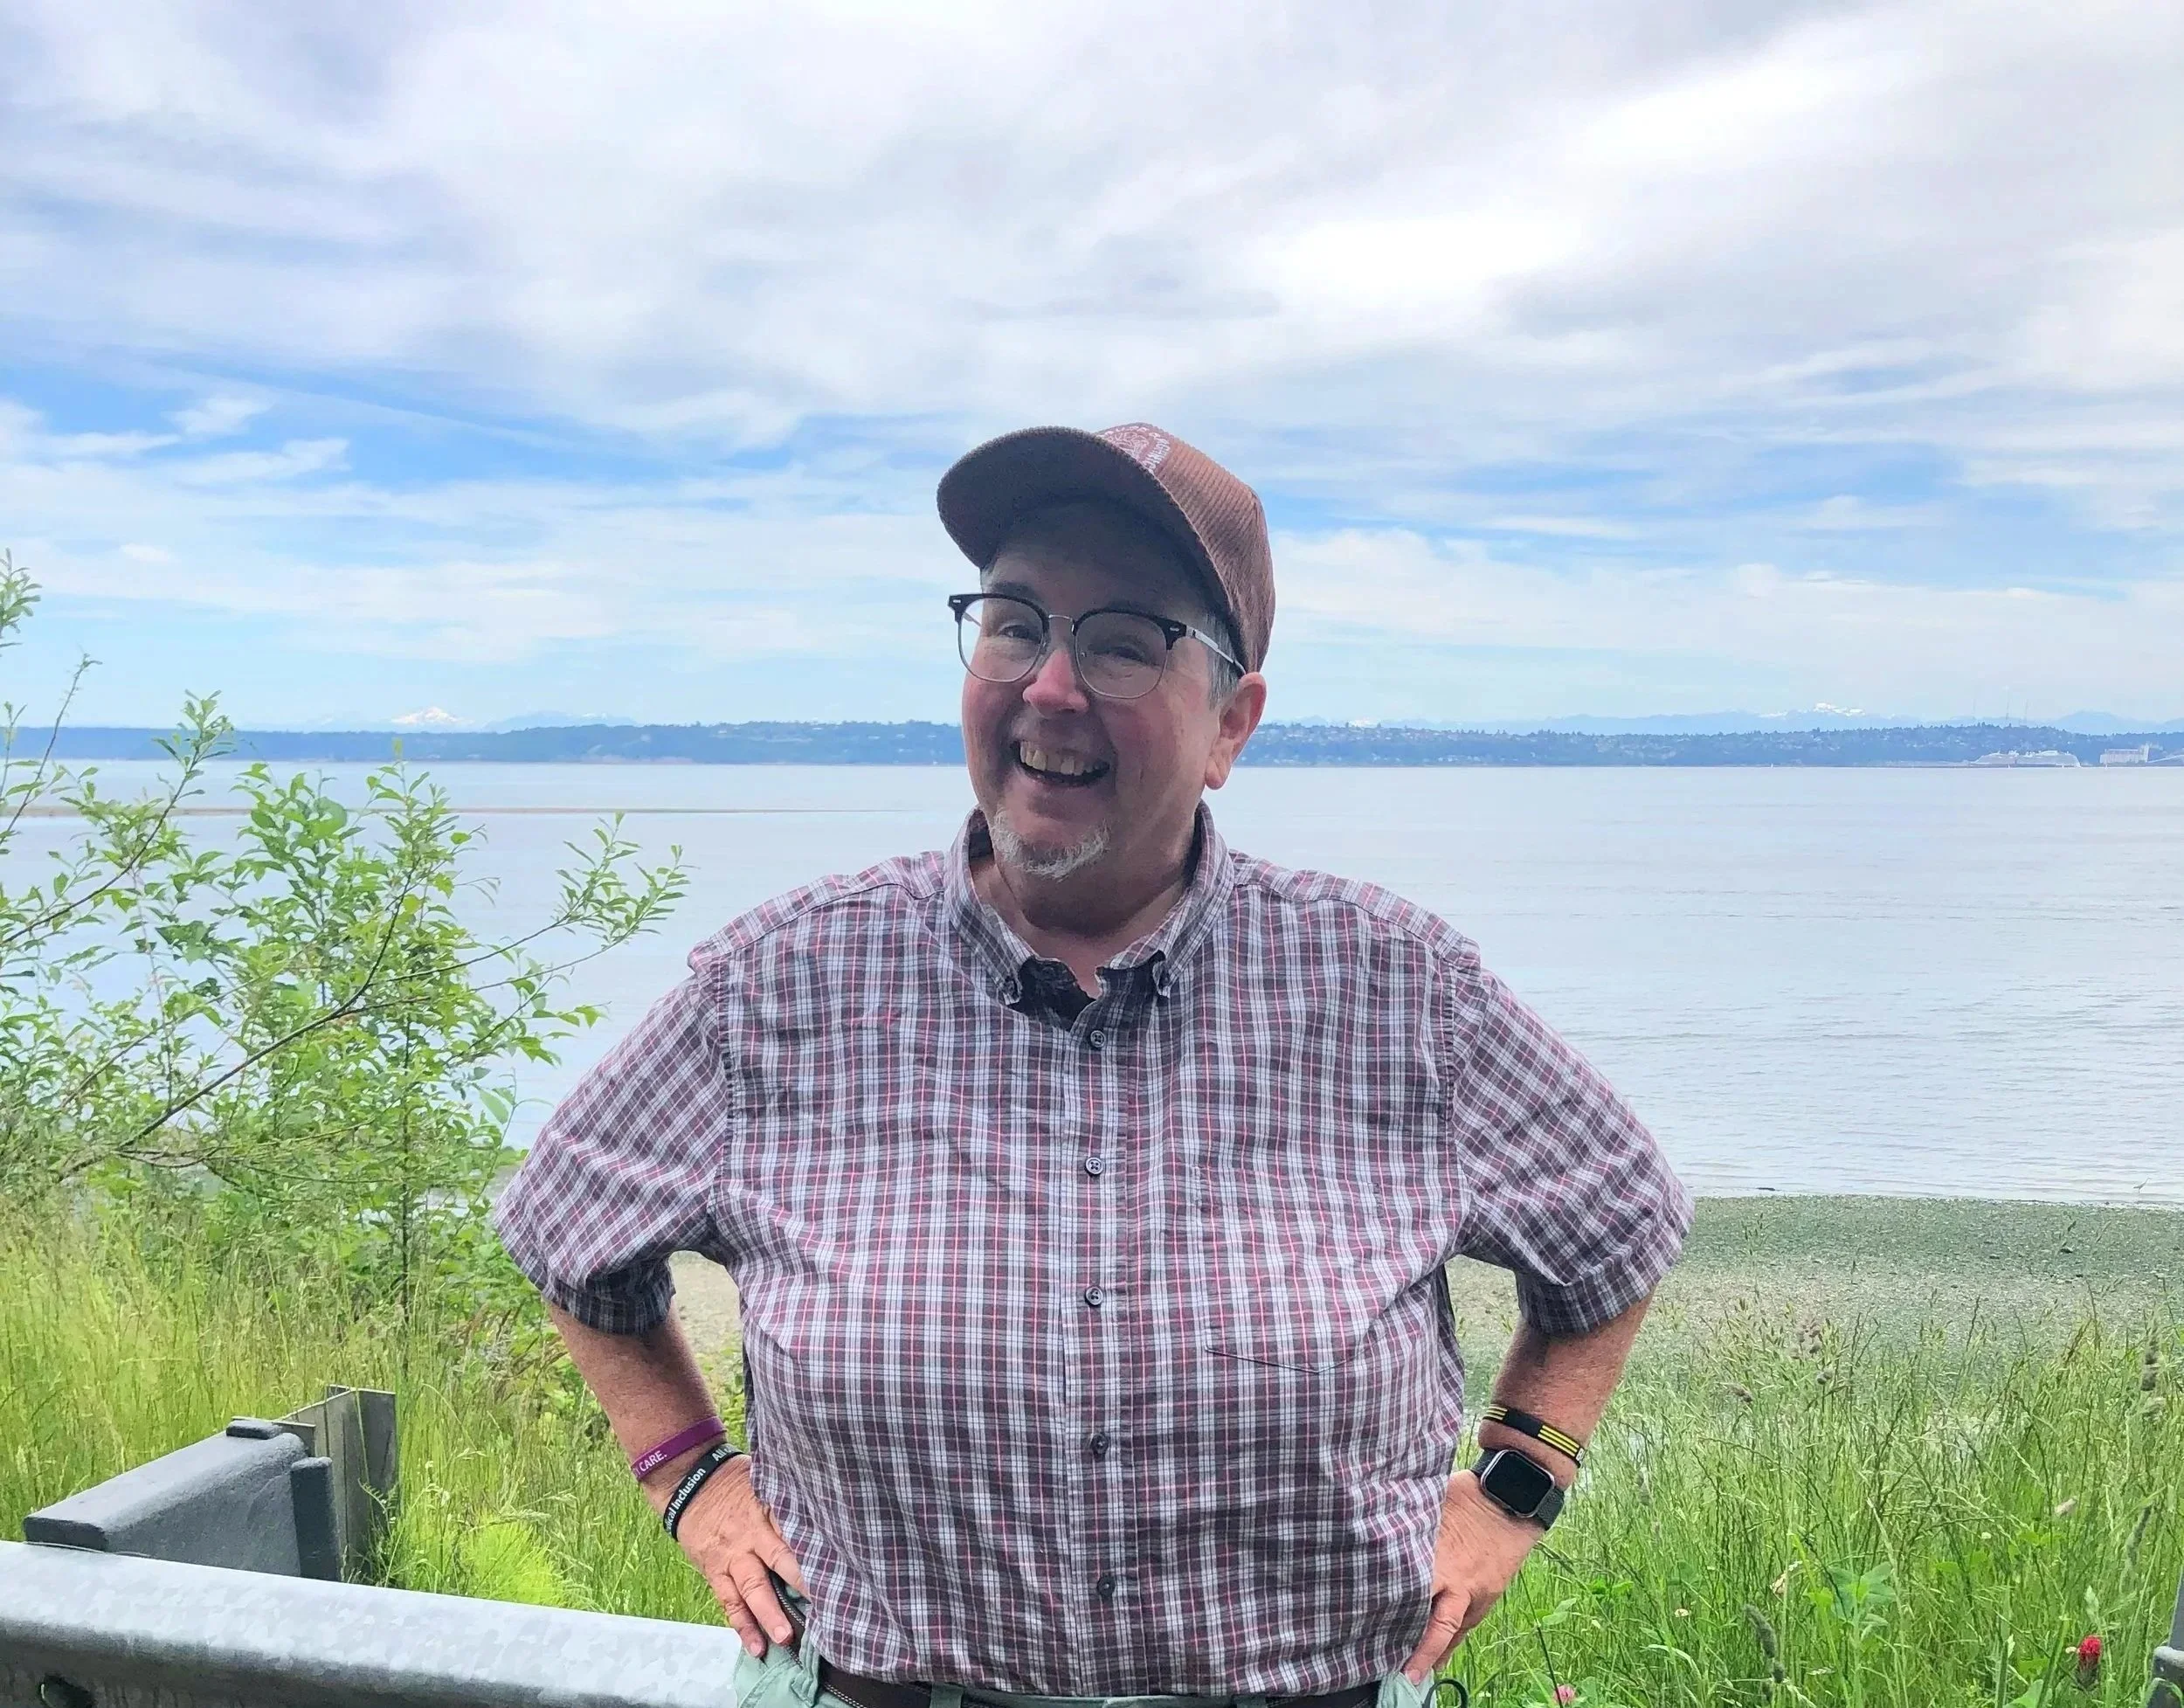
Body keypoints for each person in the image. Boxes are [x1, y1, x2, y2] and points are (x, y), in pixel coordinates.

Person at [493, 422, 1693, 1708]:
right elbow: (570, 1234)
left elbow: (1619, 1229)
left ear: (1232, 722)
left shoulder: (1396, 990)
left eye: (1122, 641)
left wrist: (1517, 1478)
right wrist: (690, 1473)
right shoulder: (782, 984)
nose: (1051, 686)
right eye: (1015, 623)